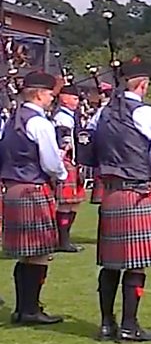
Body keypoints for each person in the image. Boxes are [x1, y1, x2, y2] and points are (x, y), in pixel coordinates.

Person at [91, 59, 151, 341]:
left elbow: (89, 150)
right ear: (143, 85)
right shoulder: (150, 115)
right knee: (136, 263)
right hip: (136, 193)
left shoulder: (101, 113)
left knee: (110, 263)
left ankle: (105, 324)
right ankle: (129, 325)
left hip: (110, 193)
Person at [1, 71, 69, 325]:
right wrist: (61, 173)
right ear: (40, 94)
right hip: (33, 188)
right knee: (39, 252)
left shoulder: (12, 119)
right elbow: (51, 162)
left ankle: (22, 308)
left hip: (13, 188)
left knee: (25, 254)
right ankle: (30, 309)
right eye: (51, 95)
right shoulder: (39, 123)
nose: (52, 99)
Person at [51, 82, 85, 253]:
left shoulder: (72, 115)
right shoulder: (62, 117)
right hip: (66, 161)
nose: (77, 101)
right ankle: (62, 241)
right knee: (65, 204)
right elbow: (64, 142)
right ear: (63, 99)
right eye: (74, 97)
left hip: (74, 161)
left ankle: (65, 239)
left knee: (74, 203)